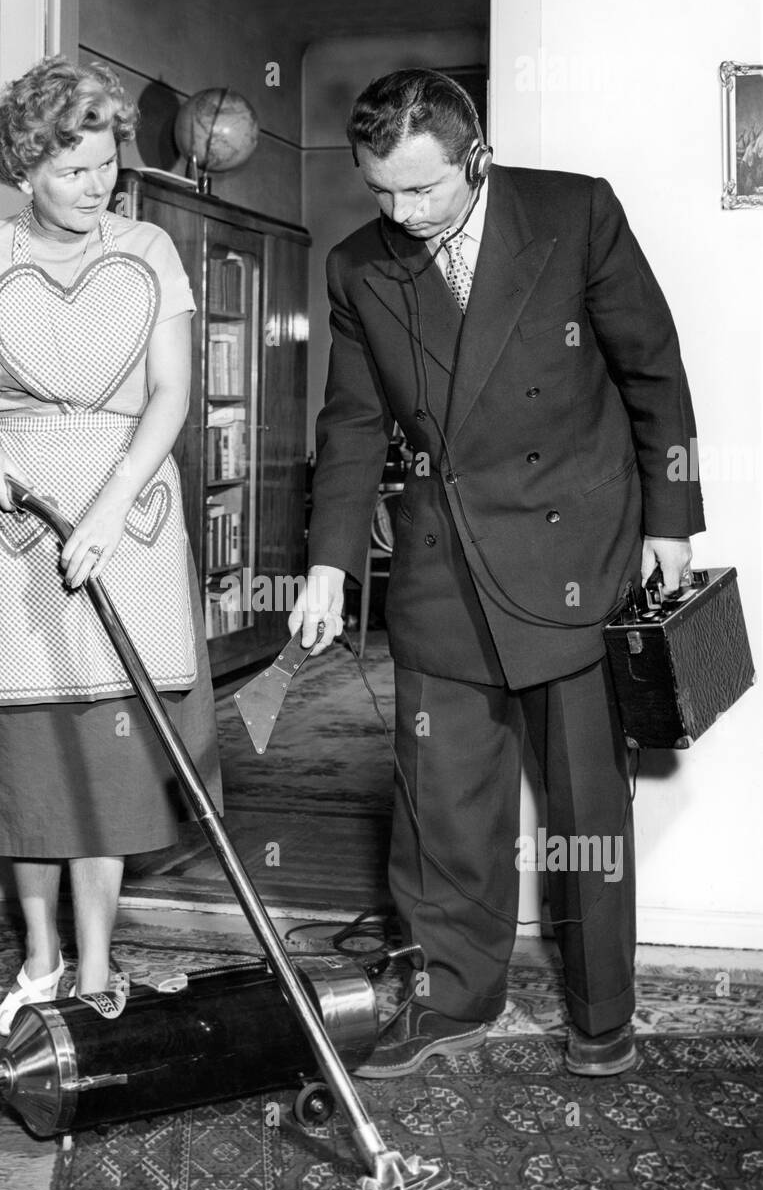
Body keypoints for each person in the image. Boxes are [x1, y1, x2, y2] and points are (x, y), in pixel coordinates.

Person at [289, 69, 703, 1079]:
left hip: (579, 553)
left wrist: (673, 520)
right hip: (440, 565)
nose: (402, 213)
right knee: (441, 809)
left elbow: (654, 369)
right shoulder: (358, 267)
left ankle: (601, 1011)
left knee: (586, 809)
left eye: (422, 190)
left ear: (475, 158)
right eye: (381, 191)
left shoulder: (573, 212)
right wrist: (329, 563)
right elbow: (349, 423)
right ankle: (449, 1001)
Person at [0, 56, 221, 1033]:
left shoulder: (149, 250)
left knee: (111, 758)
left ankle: (94, 964)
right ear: (25, 169)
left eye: (106, 162)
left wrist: (115, 508)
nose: (101, 184)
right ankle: (39, 959)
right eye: (74, 170)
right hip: (14, 524)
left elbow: (170, 394)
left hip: (130, 512)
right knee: (27, 757)